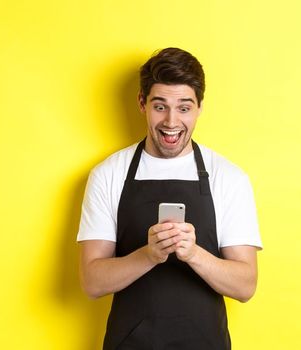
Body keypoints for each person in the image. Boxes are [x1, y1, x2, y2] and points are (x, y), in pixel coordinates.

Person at [77, 47, 262, 350]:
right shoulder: (109, 174)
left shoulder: (229, 178)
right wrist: (149, 254)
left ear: (199, 107)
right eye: (160, 106)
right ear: (142, 103)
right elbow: (92, 282)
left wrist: (193, 254)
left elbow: (245, 285)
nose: (171, 121)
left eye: (184, 108)